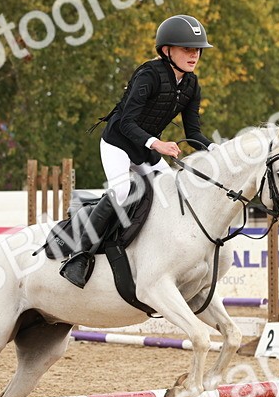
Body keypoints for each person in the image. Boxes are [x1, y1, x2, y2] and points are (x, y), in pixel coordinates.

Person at [59, 15, 214, 287]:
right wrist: (157, 144)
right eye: (187, 49)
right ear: (167, 51)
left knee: (173, 193)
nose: (194, 55)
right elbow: (128, 122)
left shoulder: (191, 84)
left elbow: (193, 133)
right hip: (118, 143)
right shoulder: (148, 75)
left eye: (197, 50)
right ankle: (78, 256)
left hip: (145, 150)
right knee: (120, 192)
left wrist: (216, 150)